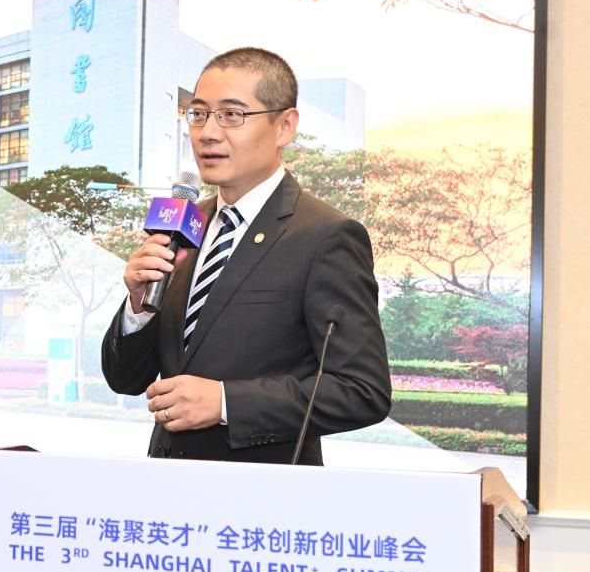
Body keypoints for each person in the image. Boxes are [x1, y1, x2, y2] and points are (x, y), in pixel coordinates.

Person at [101, 47, 391, 464]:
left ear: (284, 126)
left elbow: (362, 391)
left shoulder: (326, 236)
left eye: (232, 115)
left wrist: (225, 403)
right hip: (166, 486)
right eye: (198, 114)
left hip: (264, 493)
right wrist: (138, 308)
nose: (208, 132)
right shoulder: (184, 226)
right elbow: (125, 379)